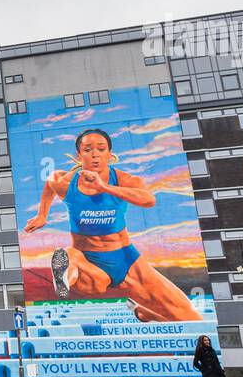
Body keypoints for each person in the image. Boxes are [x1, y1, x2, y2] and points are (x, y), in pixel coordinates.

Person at [24, 128, 201, 323]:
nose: (94, 154)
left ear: (109, 153)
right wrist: (42, 215)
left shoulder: (125, 180)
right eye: (88, 149)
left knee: (188, 316)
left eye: (101, 149)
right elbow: (50, 183)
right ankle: (66, 276)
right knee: (73, 259)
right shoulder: (66, 183)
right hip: (87, 260)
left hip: (126, 260)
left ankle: (144, 313)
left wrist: (103, 187)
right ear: (79, 155)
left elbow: (148, 200)